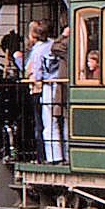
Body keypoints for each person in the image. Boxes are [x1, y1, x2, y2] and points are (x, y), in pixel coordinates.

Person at [42, 30, 68, 162]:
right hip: (61, 88)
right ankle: (64, 155)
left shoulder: (67, 44)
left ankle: (59, 156)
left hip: (62, 89)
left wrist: (63, 35)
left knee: (58, 122)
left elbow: (55, 47)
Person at [24, 21, 50, 151]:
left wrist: (17, 59)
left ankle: (41, 153)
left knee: (39, 122)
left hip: (37, 89)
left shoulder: (37, 50)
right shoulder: (52, 44)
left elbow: (32, 71)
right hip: (51, 88)